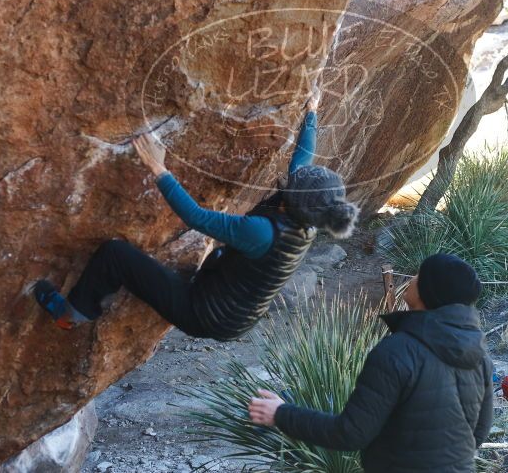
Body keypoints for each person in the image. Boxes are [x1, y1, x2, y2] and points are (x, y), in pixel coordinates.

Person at [32, 103, 360, 340]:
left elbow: (196, 217)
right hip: (236, 311)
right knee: (200, 260)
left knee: (114, 255)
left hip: (205, 315)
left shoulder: (260, 232)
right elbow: (302, 161)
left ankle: (70, 314)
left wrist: (159, 169)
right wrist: (312, 114)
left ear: (292, 198)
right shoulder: (310, 218)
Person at [249, 254, 494, 473]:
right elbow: (479, 432)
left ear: (428, 291)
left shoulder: (397, 351)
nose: (411, 279)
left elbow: (351, 433)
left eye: (418, 275)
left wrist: (281, 414)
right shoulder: (480, 356)